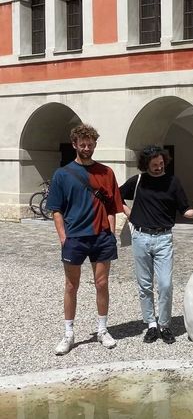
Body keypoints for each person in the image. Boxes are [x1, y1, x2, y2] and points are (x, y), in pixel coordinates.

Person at [46, 124, 124, 355]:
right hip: (75, 237)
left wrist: (111, 230)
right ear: (74, 145)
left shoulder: (106, 172)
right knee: (71, 285)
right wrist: (63, 238)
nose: (87, 148)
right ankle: (68, 334)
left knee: (102, 284)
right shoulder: (62, 174)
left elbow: (112, 205)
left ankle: (102, 329)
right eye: (83, 144)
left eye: (90, 144)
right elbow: (56, 210)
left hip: (101, 236)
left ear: (95, 145)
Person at [120, 145, 193, 344]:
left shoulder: (173, 182)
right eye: (154, 164)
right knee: (144, 285)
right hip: (140, 238)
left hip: (164, 238)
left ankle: (165, 324)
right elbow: (115, 196)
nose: (159, 167)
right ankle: (151, 324)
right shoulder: (138, 181)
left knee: (165, 284)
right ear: (146, 164)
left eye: (161, 163)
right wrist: (128, 213)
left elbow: (185, 210)